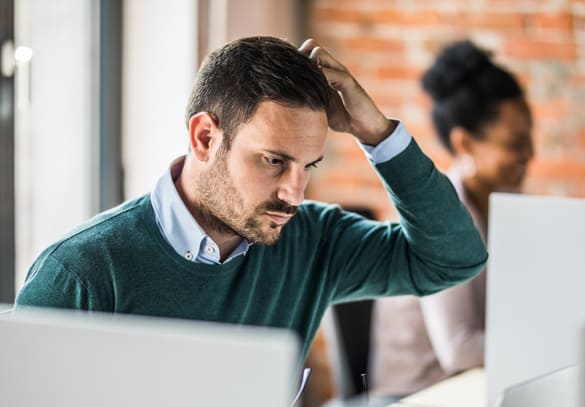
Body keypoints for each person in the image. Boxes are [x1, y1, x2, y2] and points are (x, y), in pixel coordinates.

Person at [14, 36, 488, 360]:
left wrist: (378, 134)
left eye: (309, 167)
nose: (295, 194)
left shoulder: (312, 240)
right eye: (274, 161)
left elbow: (454, 260)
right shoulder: (80, 274)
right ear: (204, 138)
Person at [370, 41, 533, 398]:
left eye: (530, 138)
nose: (529, 153)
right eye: (514, 143)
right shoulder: (441, 216)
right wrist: (545, 341)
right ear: (465, 144)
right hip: (414, 392)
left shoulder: (509, 203)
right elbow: (458, 348)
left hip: (474, 386)